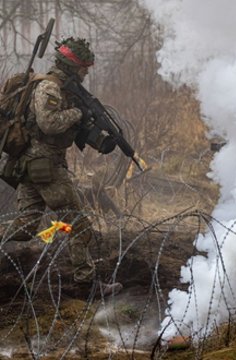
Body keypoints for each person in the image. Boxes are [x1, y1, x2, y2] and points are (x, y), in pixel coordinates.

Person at [2, 37, 122, 296]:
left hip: (34, 166)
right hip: (46, 167)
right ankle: (86, 284)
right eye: (83, 67)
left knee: (27, 225)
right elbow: (49, 124)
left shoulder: (63, 88)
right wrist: (77, 114)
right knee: (77, 223)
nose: (86, 71)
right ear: (71, 65)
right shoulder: (49, 87)